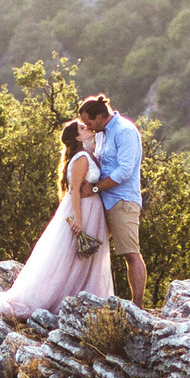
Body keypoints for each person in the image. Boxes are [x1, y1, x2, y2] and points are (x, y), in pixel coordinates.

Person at [0, 118, 114, 316]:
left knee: (83, 257)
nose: (86, 127)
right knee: (72, 256)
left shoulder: (88, 155)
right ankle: (59, 298)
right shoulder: (81, 158)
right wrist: (78, 219)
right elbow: (74, 191)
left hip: (92, 210)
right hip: (83, 210)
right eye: (81, 127)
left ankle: (83, 295)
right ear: (78, 137)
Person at [79, 93, 146, 305]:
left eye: (88, 122)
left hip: (122, 200)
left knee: (130, 253)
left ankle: (138, 306)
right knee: (90, 249)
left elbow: (124, 171)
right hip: (102, 201)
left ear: (99, 117)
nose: (87, 126)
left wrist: (96, 187)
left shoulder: (124, 131)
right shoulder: (102, 133)